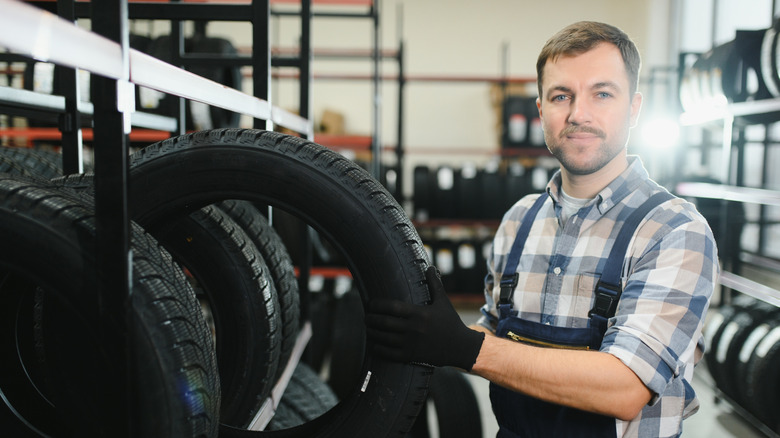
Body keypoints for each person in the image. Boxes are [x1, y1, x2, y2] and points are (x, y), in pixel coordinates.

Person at [366, 21, 718, 438]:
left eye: (602, 94)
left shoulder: (674, 230)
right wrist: (429, 331)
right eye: (561, 96)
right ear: (540, 111)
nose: (578, 114)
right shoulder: (519, 220)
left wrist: (464, 347)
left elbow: (625, 387)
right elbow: (497, 337)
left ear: (634, 108)